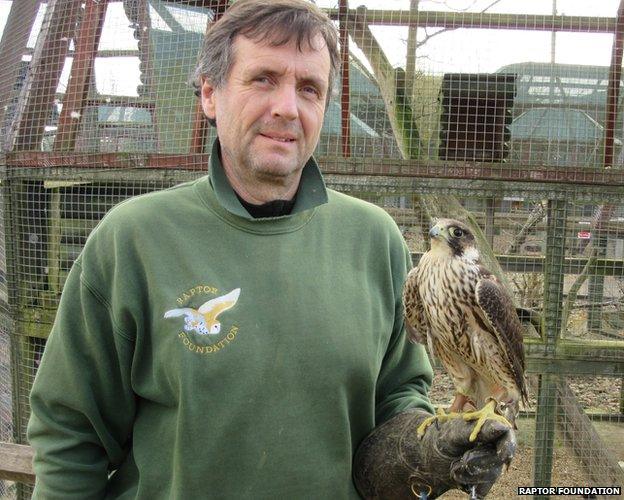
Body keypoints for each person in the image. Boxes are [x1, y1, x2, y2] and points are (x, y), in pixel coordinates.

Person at [27, 0, 515, 498]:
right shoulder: (132, 239)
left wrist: (425, 451)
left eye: (309, 88)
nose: (287, 107)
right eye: (263, 79)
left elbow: (397, 397)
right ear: (211, 94)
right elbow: (71, 436)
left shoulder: (375, 240)